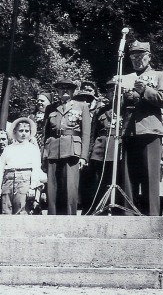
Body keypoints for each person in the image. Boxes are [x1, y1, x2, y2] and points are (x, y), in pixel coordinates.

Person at [121, 40, 163, 216]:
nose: (137, 60)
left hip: (150, 132)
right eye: (133, 57)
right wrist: (123, 98)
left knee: (151, 180)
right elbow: (117, 107)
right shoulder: (125, 77)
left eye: (140, 56)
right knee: (128, 180)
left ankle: (153, 221)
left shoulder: (159, 75)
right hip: (129, 132)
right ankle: (129, 219)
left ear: (149, 57)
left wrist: (146, 91)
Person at [43, 77, 90, 215]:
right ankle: (52, 219)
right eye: (61, 88)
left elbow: (86, 133)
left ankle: (70, 219)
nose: (65, 90)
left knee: (71, 187)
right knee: (52, 188)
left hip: (72, 150)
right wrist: (44, 154)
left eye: (68, 88)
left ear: (73, 91)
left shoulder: (82, 106)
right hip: (53, 149)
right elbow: (45, 133)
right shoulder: (50, 108)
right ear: (57, 91)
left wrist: (83, 157)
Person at [83, 77, 119, 213]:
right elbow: (92, 134)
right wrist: (88, 154)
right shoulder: (100, 111)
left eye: (116, 91)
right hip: (100, 150)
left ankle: (117, 209)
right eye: (110, 91)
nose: (113, 94)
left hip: (118, 149)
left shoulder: (126, 110)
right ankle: (98, 209)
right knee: (98, 182)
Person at [0, 118, 44, 214]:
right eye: (21, 131)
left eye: (26, 131)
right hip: (8, 180)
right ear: (15, 132)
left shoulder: (33, 149)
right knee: (6, 210)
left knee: (21, 210)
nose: (24, 134)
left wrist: (32, 187)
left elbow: (36, 168)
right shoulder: (8, 149)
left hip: (24, 180)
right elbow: (1, 168)